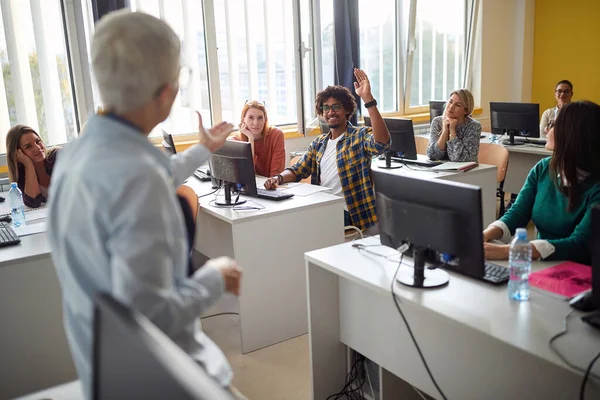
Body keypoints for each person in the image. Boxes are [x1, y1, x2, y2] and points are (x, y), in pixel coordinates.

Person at [47, 10, 244, 399]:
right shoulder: (138, 177)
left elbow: (146, 177)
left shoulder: (79, 152)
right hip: (158, 378)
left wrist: (203, 149)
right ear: (167, 92)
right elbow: (149, 319)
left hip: (101, 370)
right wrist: (214, 277)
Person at [264, 68, 390, 231]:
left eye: (336, 107)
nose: (331, 112)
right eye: (326, 108)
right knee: (285, 221)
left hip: (348, 213)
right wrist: (278, 178)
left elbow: (382, 144)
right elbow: (297, 170)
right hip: (322, 206)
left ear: (346, 110)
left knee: (299, 228)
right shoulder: (319, 143)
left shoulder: (358, 136)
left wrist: (368, 99)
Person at [483, 101, 600, 265]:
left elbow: (579, 244)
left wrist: (507, 251)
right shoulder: (543, 167)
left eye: (553, 125)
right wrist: (486, 234)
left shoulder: (595, 187)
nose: (546, 130)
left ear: (571, 134)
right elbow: (518, 213)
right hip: (540, 264)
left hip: (578, 274)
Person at [6, 125, 60, 208]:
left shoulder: (58, 156)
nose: (37, 147)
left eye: (38, 141)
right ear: (17, 153)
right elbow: (33, 203)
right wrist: (28, 165)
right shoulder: (21, 174)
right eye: (28, 146)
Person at [231, 100, 285, 177]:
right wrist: (250, 139)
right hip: (249, 187)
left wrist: (271, 184)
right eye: (251, 118)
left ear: (265, 120)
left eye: (260, 118)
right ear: (243, 120)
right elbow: (246, 174)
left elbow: (276, 173)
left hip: (271, 185)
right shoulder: (236, 141)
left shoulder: (276, 135)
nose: (256, 123)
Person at [426, 89, 481, 162]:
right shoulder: (437, 122)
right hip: (442, 171)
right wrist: (445, 131)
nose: (451, 107)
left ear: (466, 111)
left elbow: (460, 158)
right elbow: (432, 155)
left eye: (458, 105)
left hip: (466, 172)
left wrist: (452, 130)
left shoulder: (474, 126)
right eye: (450, 102)